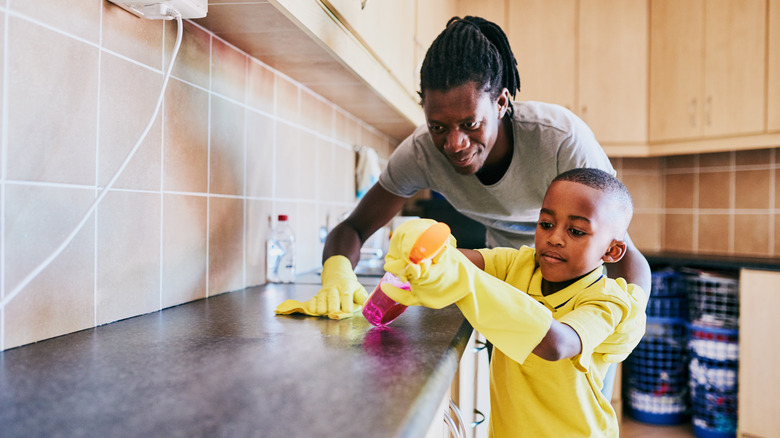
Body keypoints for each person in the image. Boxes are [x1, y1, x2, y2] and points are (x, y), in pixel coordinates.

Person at [275, 15, 650, 319]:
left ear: (501, 103)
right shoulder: (421, 153)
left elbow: (622, 252)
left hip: (580, 304)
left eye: (470, 124)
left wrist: (624, 319)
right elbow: (354, 228)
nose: (453, 144)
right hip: (507, 293)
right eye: (438, 126)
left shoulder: (560, 139)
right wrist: (337, 273)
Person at [380, 168, 648, 437]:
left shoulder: (607, 301)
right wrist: (421, 247)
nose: (554, 237)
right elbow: (455, 259)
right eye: (546, 224)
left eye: (576, 231)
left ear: (611, 251)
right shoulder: (518, 265)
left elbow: (557, 344)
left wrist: (465, 280)